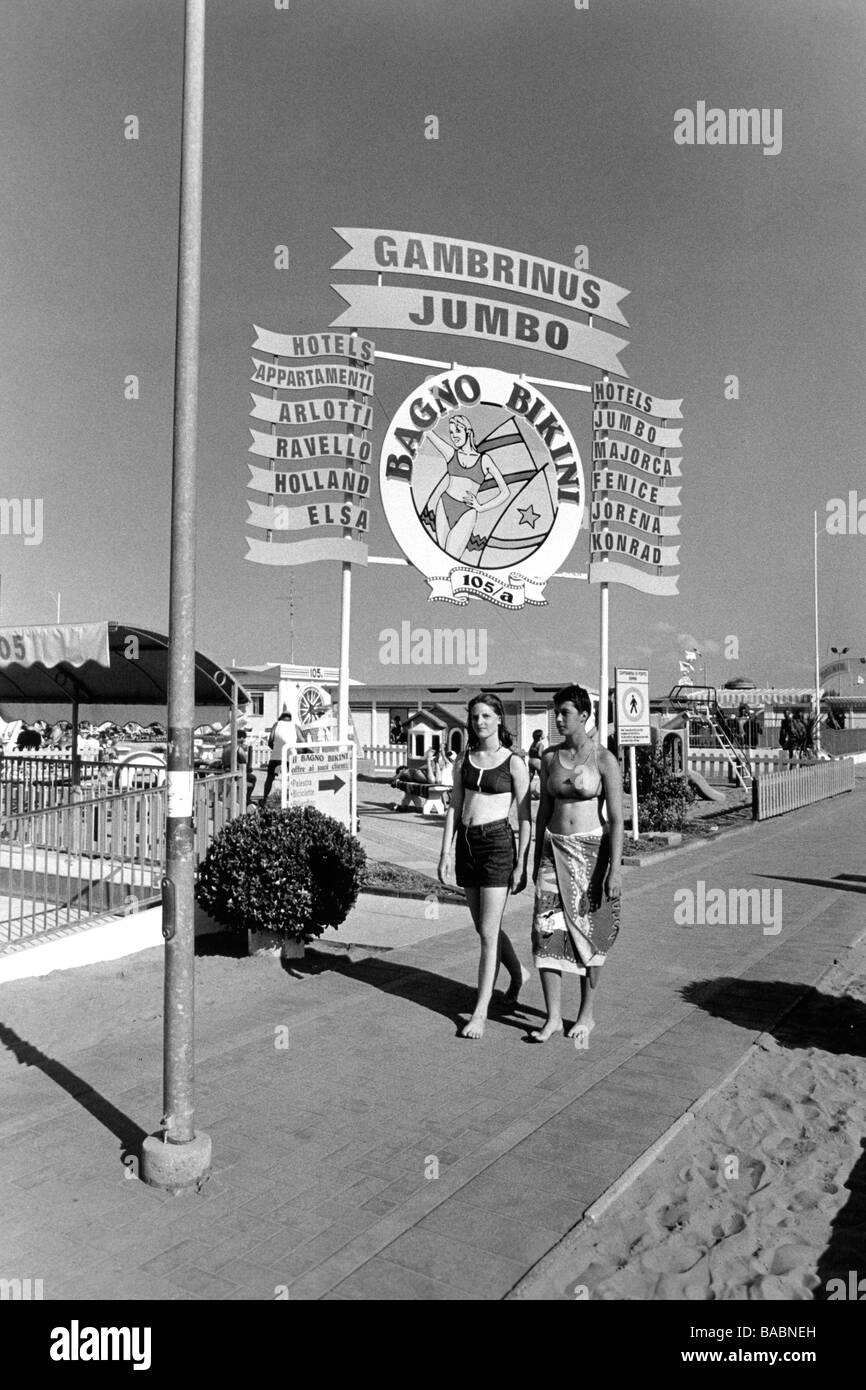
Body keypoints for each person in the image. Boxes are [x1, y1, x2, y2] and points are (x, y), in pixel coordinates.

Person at [530, 684, 624, 1045]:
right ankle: (553, 1016)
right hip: (553, 853)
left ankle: (586, 1014)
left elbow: (616, 819)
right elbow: (542, 814)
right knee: (547, 931)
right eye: (556, 712)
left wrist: (614, 870)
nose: (558, 718)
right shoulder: (550, 758)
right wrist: (532, 859)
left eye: (565, 712)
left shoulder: (604, 760)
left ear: (583, 715)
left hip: (590, 854)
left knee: (589, 933)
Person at [438, 692, 531, 1040]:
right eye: (475, 717)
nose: (480, 723)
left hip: (497, 846)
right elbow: (454, 807)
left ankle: (480, 1012)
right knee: (483, 927)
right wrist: (445, 852)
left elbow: (525, 818)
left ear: (499, 720)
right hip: (466, 844)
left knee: (488, 933)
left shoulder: (514, 763)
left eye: (487, 716)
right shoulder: (464, 760)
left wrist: (523, 862)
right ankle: (518, 972)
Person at [423, 415, 510, 561]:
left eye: (457, 430)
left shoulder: (484, 460)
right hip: (444, 504)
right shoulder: (451, 453)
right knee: (441, 556)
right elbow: (429, 433)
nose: (454, 436)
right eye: (451, 432)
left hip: (467, 512)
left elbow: (505, 491)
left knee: (451, 557)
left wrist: (481, 507)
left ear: (468, 431)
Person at [261, 711, 295, 802]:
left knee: (270, 778)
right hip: (289, 758)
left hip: (275, 757)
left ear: (280, 718)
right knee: (291, 778)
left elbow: (270, 741)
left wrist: (275, 749)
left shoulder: (276, 725)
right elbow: (302, 740)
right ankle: (290, 799)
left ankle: (265, 798)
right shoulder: (295, 726)